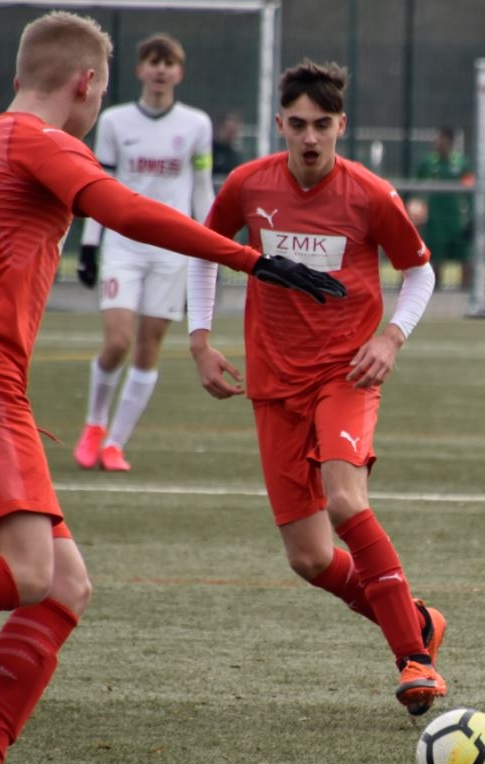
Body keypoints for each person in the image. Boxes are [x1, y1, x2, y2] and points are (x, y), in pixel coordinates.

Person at [0, 13, 341, 764]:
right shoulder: (37, 140)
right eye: (104, 86)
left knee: (61, 585)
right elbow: (122, 208)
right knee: (21, 573)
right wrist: (252, 259)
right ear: (87, 83)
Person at [185, 60, 448, 719]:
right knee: (308, 558)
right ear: (279, 125)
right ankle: (417, 623)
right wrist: (200, 340)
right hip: (274, 383)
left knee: (343, 500)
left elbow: (420, 274)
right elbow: (205, 251)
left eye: (321, 126)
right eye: (297, 125)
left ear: (341, 127)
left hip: (345, 374)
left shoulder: (369, 194)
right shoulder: (248, 186)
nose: (309, 138)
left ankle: (411, 659)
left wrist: (390, 339)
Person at [73, 33, 214, 472]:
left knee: (148, 347)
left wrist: (209, 249)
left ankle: (116, 442)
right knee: (117, 341)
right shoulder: (114, 122)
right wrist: (91, 245)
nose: (160, 69)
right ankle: (94, 424)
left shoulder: (197, 125)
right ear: (138, 70)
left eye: (168, 63)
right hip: (123, 245)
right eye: (152, 61)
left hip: (170, 250)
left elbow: (203, 191)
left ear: (180, 72)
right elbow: (101, 188)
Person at [414, 126, 473, 289]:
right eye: (438, 140)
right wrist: (416, 208)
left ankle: (465, 291)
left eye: (443, 140)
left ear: (450, 142)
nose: (439, 144)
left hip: (456, 220)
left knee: (465, 258)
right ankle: (435, 291)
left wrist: (471, 217)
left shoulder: (461, 164)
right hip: (435, 219)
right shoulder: (428, 163)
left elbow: (470, 190)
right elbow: (415, 187)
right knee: (435, 259)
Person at [212, 110, 243, 178]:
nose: (231, 134)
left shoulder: (234, 155)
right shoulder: (210, 150)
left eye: (233, 131)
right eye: (229, 130)